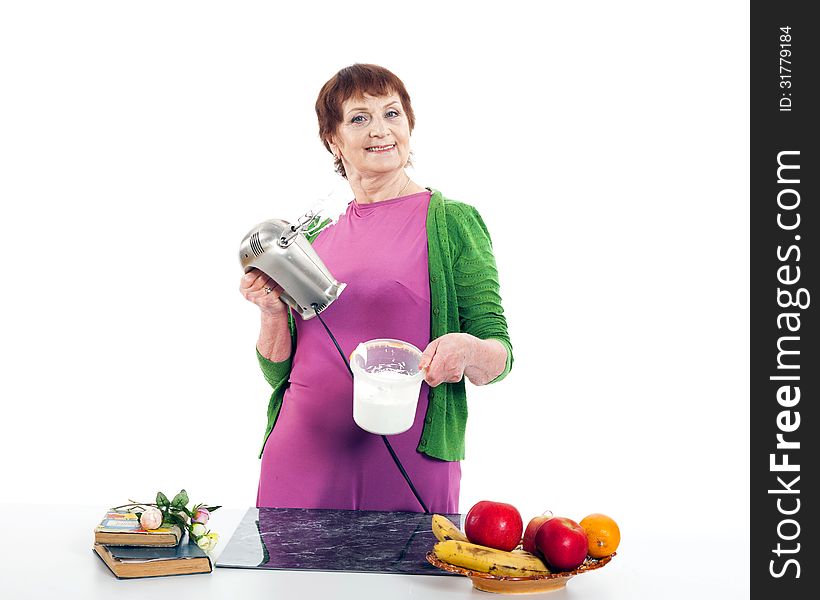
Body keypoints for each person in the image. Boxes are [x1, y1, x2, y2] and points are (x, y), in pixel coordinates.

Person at [239, 64, 513, 513]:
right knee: (290, 582)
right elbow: (278, 374)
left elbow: (499, 354)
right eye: (359, 118)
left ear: (409, 125)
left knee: (409, 582)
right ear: (333, 139)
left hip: (408, 459)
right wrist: (271, 312)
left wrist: (468, 351)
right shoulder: (314, 236)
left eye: (392, 113)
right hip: (302, 454)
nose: (380, 130)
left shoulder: (451, 222)